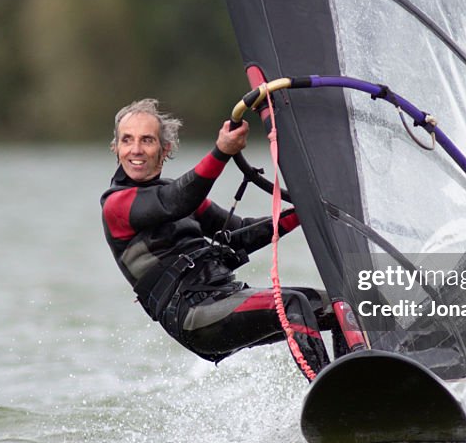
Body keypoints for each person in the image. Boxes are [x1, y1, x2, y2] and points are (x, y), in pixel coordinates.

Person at [100, 98, 349, 380]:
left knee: (344, 306)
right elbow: (176, 201)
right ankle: (329, 391)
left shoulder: (176, 195)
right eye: (127, 140)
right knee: (291, 305)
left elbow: (240, 235)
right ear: (116, 148)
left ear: (164, 149)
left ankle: (362, 379)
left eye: (146, 140)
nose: (136, 150)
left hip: (226, 296)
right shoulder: (117, 205)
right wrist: (221, 152)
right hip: (194, 315)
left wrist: (306, 212)